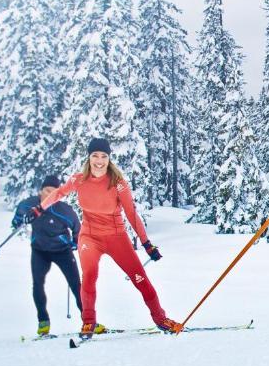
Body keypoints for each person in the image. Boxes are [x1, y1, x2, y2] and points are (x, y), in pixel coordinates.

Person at [24, 138, 181, 338]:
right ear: (89, 158)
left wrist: (146, 244)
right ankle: (88, 323)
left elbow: (132, 214)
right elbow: (58, 194)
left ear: (109, 159)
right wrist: (39, 209)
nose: (99, 160)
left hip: (116, 236)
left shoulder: (118, 184)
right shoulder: (79, 179)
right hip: (89, 236)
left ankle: (161, 319)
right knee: (89, 277)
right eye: (95, 156)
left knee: (140, 278)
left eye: (104, 156)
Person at [12, 175, 83, 336]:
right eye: (47, 191)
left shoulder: (64, 210)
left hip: (62, 251)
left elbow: (77, 227)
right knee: (37, 284)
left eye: (54, 192)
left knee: (76, 285)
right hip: (39, 250)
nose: (50, 195)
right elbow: (17, 219)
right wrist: (20, 221)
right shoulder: (29, 205)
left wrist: (75, 242)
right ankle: (43, 322)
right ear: (40, 191)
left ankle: (89, 320)